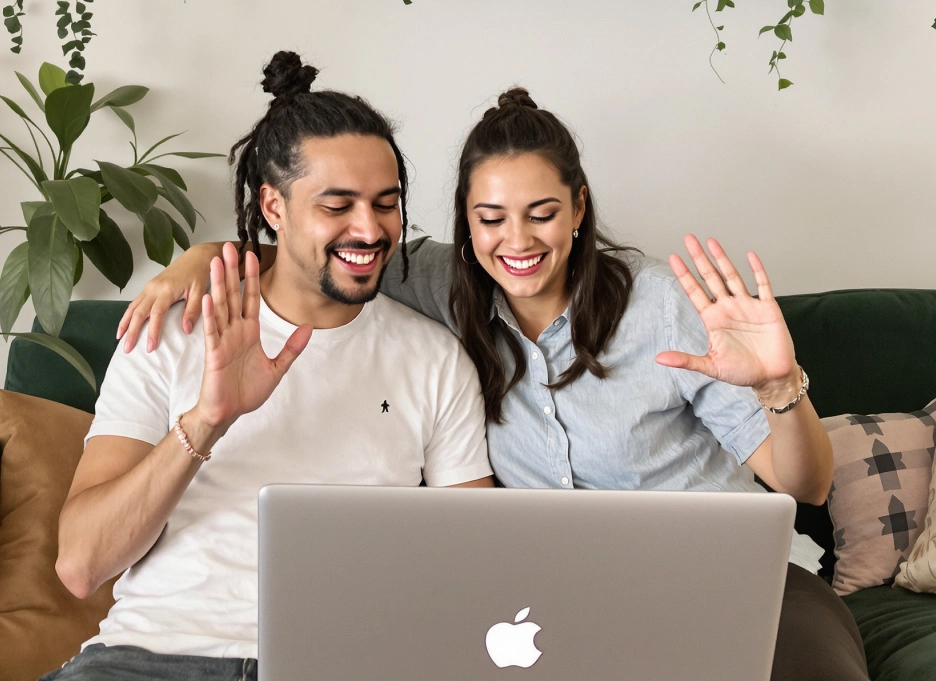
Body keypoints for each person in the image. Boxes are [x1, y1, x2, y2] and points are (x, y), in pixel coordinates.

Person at [120, 88, 870, 680]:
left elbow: (804, 482)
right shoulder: (439, 282)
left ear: (579, 208)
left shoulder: (661, 301)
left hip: (740, 581)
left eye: (543, 213)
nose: (517, 241)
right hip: (571, 602)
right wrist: (210, 259)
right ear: (465, 225)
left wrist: (780, 384)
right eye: (491, 218)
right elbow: (322, 252)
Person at [46, 52, 493, 681]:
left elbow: (480, 563)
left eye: (386, 203)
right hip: (154, 659)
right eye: (337, 206)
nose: (369, 230)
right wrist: (206, 421)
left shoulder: (434, 358)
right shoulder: (172, 330)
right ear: (274, 208)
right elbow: (80, 565)